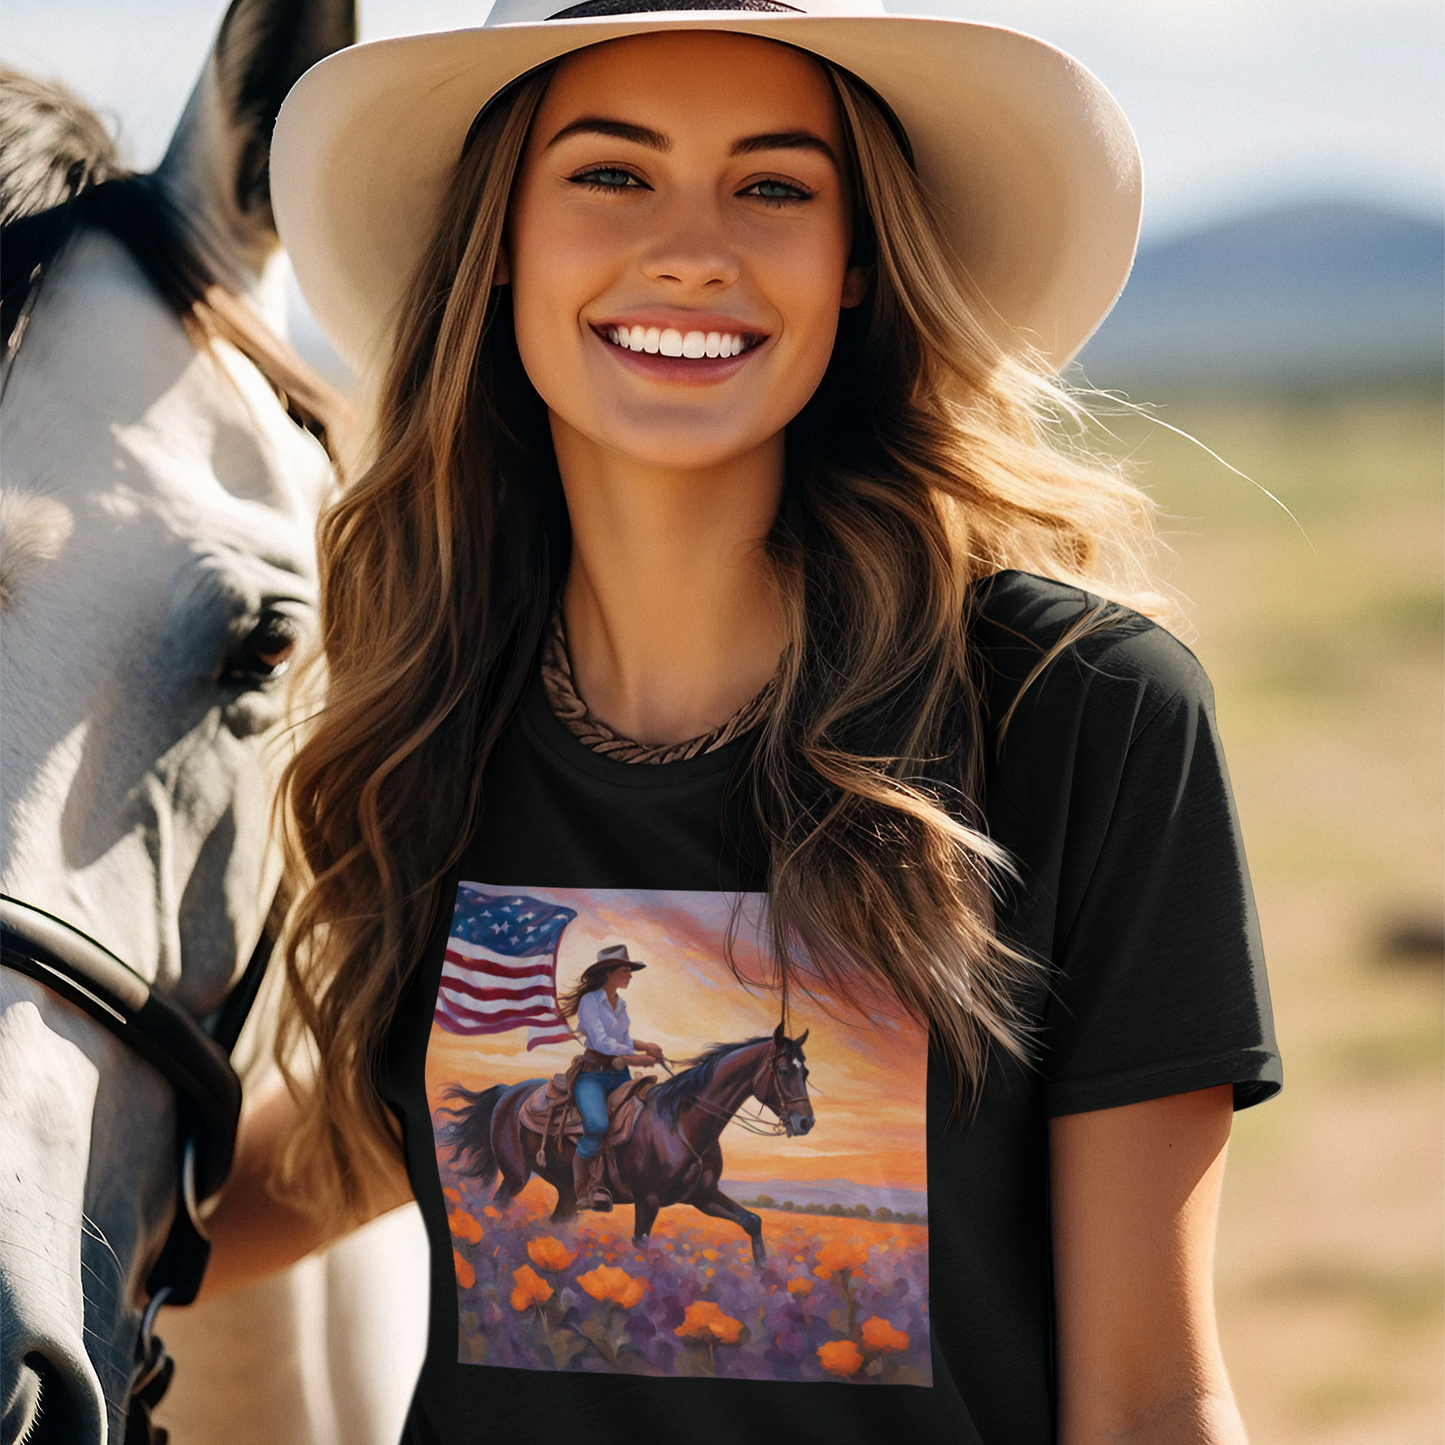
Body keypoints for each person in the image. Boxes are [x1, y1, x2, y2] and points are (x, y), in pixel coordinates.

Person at [199, 3, 1281, 1441]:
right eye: (610, 173)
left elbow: (1151, 1399)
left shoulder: (1079, 712)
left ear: (853, 266)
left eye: (775, 186)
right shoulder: (428, 713)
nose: (694, 246)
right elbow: (341, 1158)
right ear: (501, 242)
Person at [555, 944, 664, 1210]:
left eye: (629, 970)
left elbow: (622, 1038)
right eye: (625, 970)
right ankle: (582, 1190)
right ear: (609, 973)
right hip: (592, 1076)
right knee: (597, 1125)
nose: (630, 975)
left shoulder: (620, 1003)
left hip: (619, 1074)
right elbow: (602, 1043)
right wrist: (637, 1058)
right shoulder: (590, 1002)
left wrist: (644, 1045)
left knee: (644, 1119)